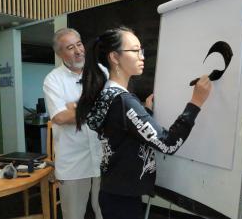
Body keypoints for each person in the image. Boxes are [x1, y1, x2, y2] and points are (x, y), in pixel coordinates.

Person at [76, 26, 212, 219]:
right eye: (134, 50)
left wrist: (145, 111)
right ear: (114, 57)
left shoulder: (107, 93)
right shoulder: (123, 101)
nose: (142, 56)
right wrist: (196, 102)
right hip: (122, 200)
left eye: (141, 50)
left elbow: (123, 131)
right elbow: (168, 143)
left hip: (115, 191)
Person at [43, 28, 102, 219]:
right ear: (60, 54)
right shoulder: (53, 80)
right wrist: (97, 107)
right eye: (70, 47)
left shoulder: (100, 72)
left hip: (103, 158)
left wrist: (76, 108)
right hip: (74, 163)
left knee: (106, 212)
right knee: (73, 215)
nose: (78, 51)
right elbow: (59, 117)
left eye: (79, 44)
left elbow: (114, 106)